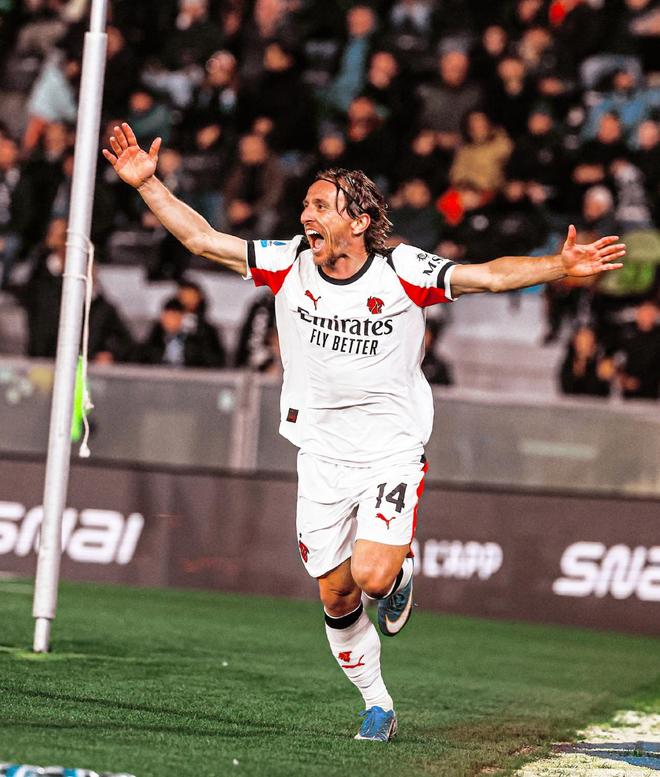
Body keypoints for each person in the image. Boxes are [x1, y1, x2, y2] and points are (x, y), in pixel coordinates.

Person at [103, 122, 626, 742]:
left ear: (358, 220)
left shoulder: (402, 270)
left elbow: (486, 276)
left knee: (373, 577)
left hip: (390, 451)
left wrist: (559, 266)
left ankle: (397, 572)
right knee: (336, 596)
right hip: (320, 453)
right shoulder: (288, 264)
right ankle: (378, 704)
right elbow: (202, 239)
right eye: (305, 205)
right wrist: (148, 185)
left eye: (321, 206)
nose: (307, 216)